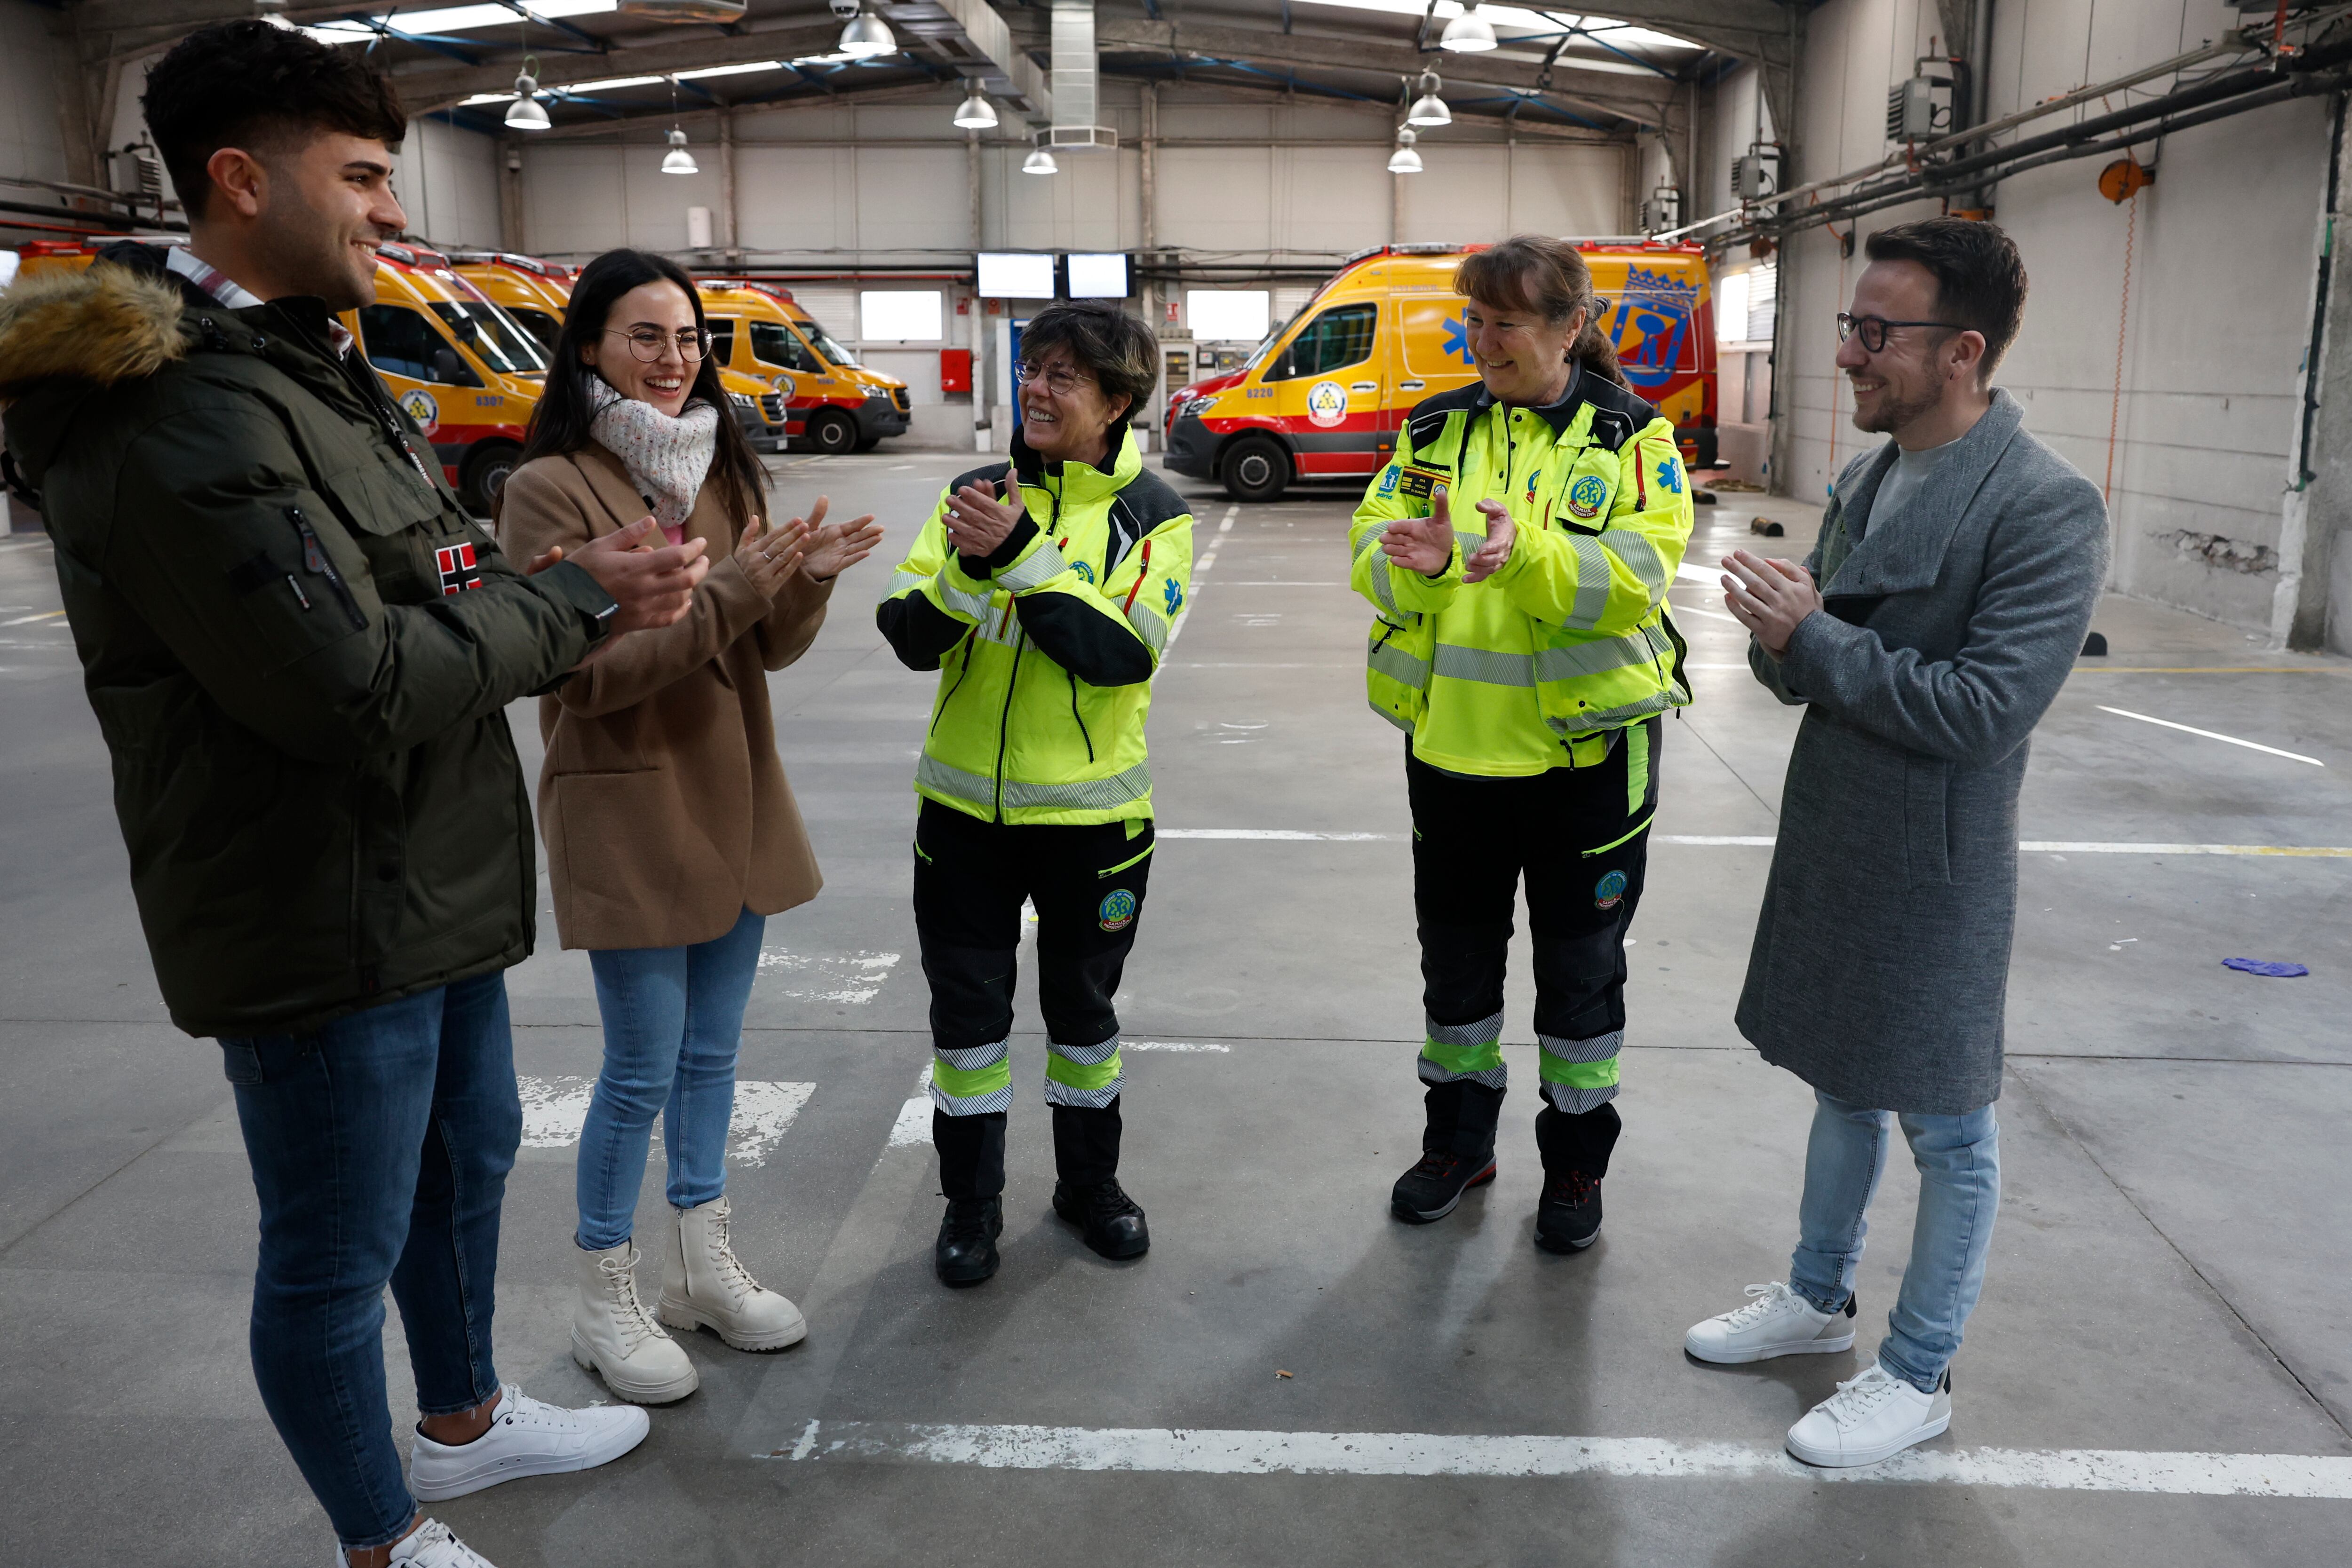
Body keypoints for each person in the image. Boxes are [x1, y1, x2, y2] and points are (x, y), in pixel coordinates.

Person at [0, 23, 714, 1568]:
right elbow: (354, 683)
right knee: (332, 1253)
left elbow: (429, 579)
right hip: (313, 904)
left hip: (423, 877)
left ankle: (462, 1424)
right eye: (367, 176)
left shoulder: (311, 368)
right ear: (242, 182)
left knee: (461, 1175)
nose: (394, 210)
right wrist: (576, 599)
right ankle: (380, 1538)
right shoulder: (176, 414)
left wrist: (552, 582)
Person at [1686, 218, 2106, 1468]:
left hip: (1936, 857)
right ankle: (1818, 1293)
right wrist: (1778, 635)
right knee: (1842, 1075)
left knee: (1948, 1120)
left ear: (1962, 351)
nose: (1851, 357)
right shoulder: (1871, 479)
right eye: (1849, 328)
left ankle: (1919, 1371)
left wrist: (1812, 639)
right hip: (1840, 829)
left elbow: (1985, 710)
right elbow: (1812, 665)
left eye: (1878, 334)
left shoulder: (2042, 506)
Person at [497, 248, 881, 1405]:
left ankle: (700, 1264)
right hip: (626, 796)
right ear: (588, 349)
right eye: (644, 336)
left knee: (713, 1055)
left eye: (687, 338)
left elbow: (766, 648)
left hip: (735, 790)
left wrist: (800, 580)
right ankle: (602, 1291)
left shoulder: (724, 469)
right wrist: (735, 590)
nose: (673, 361)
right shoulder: (550, 490)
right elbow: (589, 674)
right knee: (638, 1066)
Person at [1350, 235, 1694, 1251]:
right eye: (1474, 318)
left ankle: (1576, 1164)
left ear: (1569, 327)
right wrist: (1420, 561)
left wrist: (1518, 553)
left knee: (1581, 979)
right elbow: (1376, 544)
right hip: (1452, 753)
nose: (1481, 338)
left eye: (1503, 321)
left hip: (1585, 765)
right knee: (1455, 976)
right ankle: (1458, 1143)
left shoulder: (1633, 438)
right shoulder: (1435, 426)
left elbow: (1636, 577)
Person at [876, 301, 1192, 1286]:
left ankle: (1088, 1187)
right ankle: (970, 1206)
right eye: (1033, 370)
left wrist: (1017, 557)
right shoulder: (974, 492)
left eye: (1064, 376)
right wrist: (973, 565)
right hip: (964, 820)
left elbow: (1116, 654)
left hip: (1092, 823)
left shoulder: (1157, 519)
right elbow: (908, 632)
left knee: (1082, 1017)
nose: (1037, 390)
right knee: (966, 1029)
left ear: (1118, 401)